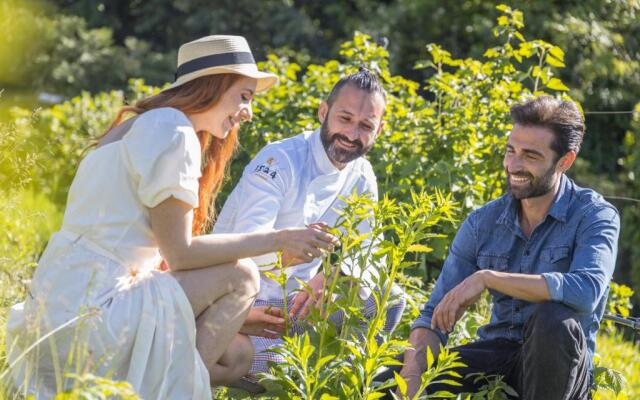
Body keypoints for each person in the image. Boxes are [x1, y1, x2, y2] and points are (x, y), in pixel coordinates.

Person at [5, 35, 338, 399]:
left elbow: (158, 264)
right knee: (243, 277)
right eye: (244, 96)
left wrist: (236, 316)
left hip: (56, 308)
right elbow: (180, 254)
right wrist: (279, 239)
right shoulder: (172, 130)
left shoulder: (139, 125)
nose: (249, 112)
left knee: (235, 338)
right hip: (96, 315)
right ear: (214, 84)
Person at [398, 96, 620, 399]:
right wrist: (410, 380)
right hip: (496, 356)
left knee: (552, 319)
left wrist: (487, 278)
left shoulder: (594, 215)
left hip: (560, 369)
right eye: (510, 151)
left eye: (530, 156)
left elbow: (586, 290)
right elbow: (433, 317)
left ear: (565, 161)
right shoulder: (482, 222)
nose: (514, 165)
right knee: (390, 374)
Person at [213, 68, 406, 383]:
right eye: (344, 119)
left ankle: (338, 378)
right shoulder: (280, 159)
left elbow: (371, 252)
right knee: (248, 361)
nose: (352, 134)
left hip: (299, 303)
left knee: (389, 296)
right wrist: (292, 249)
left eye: (365, 126)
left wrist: (337, 274)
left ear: (379, 130)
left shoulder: (361, 174)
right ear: (323, 111)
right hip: (244, 297)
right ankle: (277, 367)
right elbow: (245, 246)